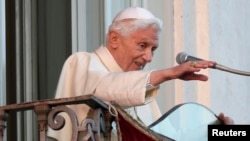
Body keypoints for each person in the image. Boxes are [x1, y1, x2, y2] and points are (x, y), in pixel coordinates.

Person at [47, 6, 234, 141]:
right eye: (142, 45)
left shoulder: (143, 89)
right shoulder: (83, 62)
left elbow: (167, 137)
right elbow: (105, 90)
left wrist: (219, 131)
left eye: (153, 49)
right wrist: (168, 73)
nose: (148, 57)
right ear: (114, 39)